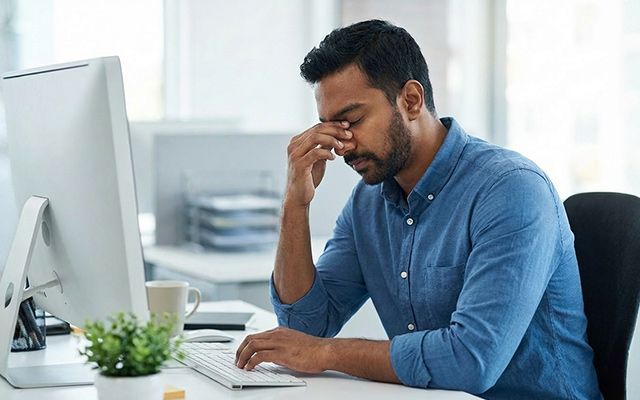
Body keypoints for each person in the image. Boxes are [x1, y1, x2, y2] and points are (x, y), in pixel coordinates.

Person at [234, 19, 602, 399]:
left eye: (353, 121)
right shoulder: (367, 203)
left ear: (411, 99)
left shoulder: (511, 189)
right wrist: (295, 204)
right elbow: (303, 327)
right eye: (330, 126)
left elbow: (470, 361)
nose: (341, 144)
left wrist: (326, 353)